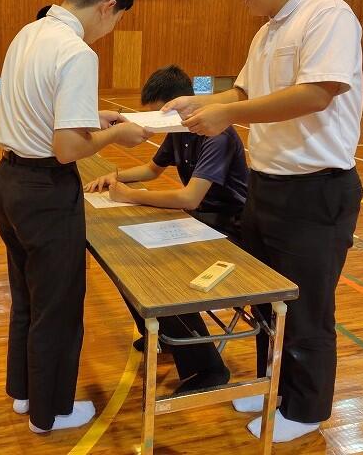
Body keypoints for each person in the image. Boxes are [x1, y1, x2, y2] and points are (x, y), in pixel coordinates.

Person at [163, 0, 363, 443]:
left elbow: (316, 93)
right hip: (266, 187)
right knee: (265, 299)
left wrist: (229, 114)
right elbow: (241, 93)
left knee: (307, 308)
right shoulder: (267, 31)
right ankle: (272, 385)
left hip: (316, 190)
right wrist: (199, 103)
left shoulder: (328, 15)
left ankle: (306, 408)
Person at [0, 0, 152, 434]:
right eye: (117, 19)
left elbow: (37, 104)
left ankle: (25, 394)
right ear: (107, 6)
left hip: (8, 182)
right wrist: (115, 136)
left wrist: (90, 116)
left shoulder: (30, 32)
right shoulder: (78, 52)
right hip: (45, 191)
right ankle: (51, 413)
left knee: (28, 298)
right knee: (58, 306)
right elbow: (67, 149)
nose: (111, 30)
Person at [84, 64, 249, 392]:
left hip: (230, 227)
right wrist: (114, 177)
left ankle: (207, 369)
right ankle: (162, 335)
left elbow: (189, 197)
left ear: (180, 106)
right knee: (127, 262)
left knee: (163, 272)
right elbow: (151, 169)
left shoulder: (216, 135)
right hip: (200, 220)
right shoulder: (178, 129)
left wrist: (130, 196)